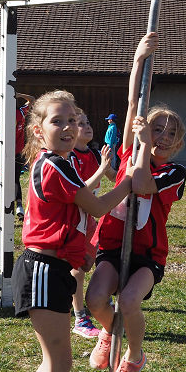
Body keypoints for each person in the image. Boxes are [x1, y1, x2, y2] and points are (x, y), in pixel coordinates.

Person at [8, 90, 133, 372]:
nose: (68, 128)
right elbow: (95, 205)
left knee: (51, 363)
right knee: (58, 364)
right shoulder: (53, 164)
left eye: (73, 121)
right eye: (57, 121)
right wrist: (128, 182)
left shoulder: (58, 164)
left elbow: (78, 202)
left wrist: (82, 249)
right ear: (38, 130)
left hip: (52, 268)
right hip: (43, 269)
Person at [85, 32, 186, 372]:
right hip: (112, 244)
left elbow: (142, 183)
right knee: (95, 300)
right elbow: (133, 103)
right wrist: (138, 60)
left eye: (170, 133)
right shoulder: (130, 150)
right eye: (157, 128)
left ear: (178, 142)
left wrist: (144, 145)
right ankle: (109, 330)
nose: (162, 136)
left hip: (147, 254)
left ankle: (134, 356)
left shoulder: (174, 172)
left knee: (129, 301)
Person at [69, 108, 116, 339]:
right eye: (80, 124)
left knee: (95, 263)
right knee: (77, 270)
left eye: (87, 122)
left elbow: (113, 177)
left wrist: (132, 174)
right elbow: (80, 190)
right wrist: (101, 168)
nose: (87, 127)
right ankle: (80, 319)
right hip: (74, 219)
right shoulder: (69, 157)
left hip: (91, 219)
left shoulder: (96, 154)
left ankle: (104, 302)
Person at [0, 91, 35, 220]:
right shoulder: (21, 112)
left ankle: (6, 210)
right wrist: (19, 95)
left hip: (6, 152)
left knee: (5, 181)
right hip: (18, 152)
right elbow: (32, 99)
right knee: (15, 179)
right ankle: (19, 207)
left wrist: (2, 139)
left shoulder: (2, 115)